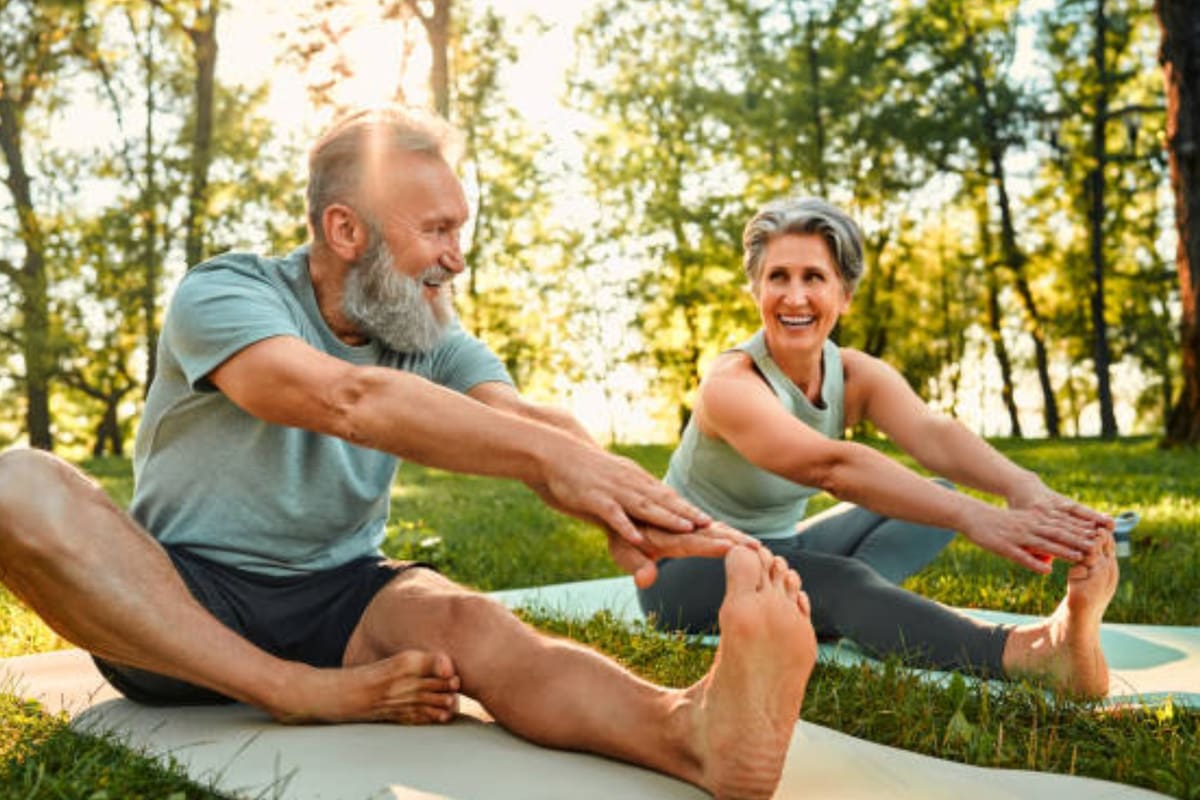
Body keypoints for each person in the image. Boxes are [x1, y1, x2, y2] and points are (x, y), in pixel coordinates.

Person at [0, 108, 818, 800]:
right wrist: (542, 461)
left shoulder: (427, 330)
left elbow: (525, 418)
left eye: (459, 229)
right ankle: (292, 692)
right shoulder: (227, 294)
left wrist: (632, 501)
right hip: (178, 601)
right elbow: (345, 401)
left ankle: (694, 734)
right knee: (16, 483)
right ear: (344, 229)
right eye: (436, 230)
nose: (457, 256)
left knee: (471, 621)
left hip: (343, 594)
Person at [638, 196, 1119, 698]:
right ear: (756, 290)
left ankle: (833, 606)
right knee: (844, 581)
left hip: (778, 547)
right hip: (683, 570)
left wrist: (1023, 488)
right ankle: (1035, 653)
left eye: (814, 278)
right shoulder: (731, 384)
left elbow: (933, 434)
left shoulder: (850, 373)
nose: (794, 296)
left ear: (844, 294)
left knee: (926, 499)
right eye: (778, 277)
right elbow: (832, 468)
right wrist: (978, 517)